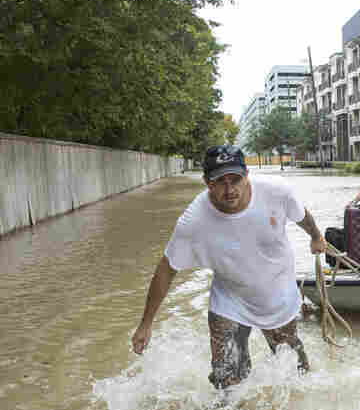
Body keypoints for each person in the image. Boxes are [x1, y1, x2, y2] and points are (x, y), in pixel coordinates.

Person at [131, 145, 327, 389]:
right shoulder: (193, 221)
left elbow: (301, 216)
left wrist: (316, 237)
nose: (229, 189)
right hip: (230, 300)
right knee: (228, 381)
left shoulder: (277, 192)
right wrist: (146, 323)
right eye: (220, 182)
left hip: (276, 293)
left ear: (247, 175)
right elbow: (167, 268)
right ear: (207, 183)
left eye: (235, 179)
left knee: (294, 374)